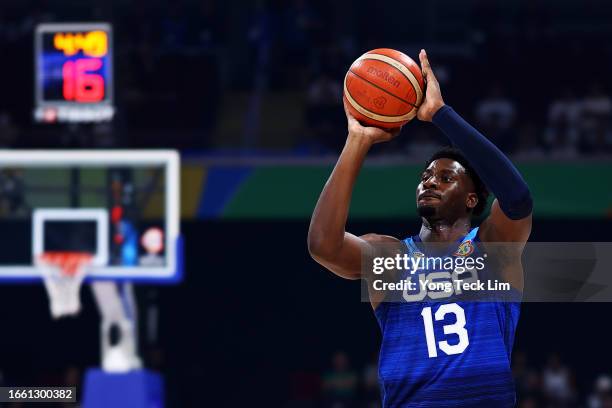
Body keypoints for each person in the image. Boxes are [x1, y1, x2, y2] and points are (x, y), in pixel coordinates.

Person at [307, 49, 532, 407]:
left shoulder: (492, 247)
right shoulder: (392, 256)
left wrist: (441, 114)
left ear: (473, 199)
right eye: (426, 176)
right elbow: (323, 245)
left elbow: (518, 199)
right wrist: (357, 141)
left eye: (446, 178)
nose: (430, 182)